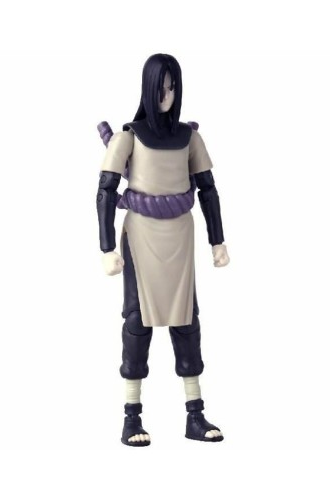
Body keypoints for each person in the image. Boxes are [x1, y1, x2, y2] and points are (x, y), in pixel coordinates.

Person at [97, 53, 230, 446]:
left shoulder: (190, 138)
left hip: (180, 238)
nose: (166, 96)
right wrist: (107, 247)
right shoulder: (128, 137)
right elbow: (105, 192)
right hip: (141, 237)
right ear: (148, 88)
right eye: (160, 88)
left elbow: (208, 189)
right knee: (137, 321)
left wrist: (218, 240)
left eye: (172, 88)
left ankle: (195, 415)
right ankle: (131, 417)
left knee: (187, 320)